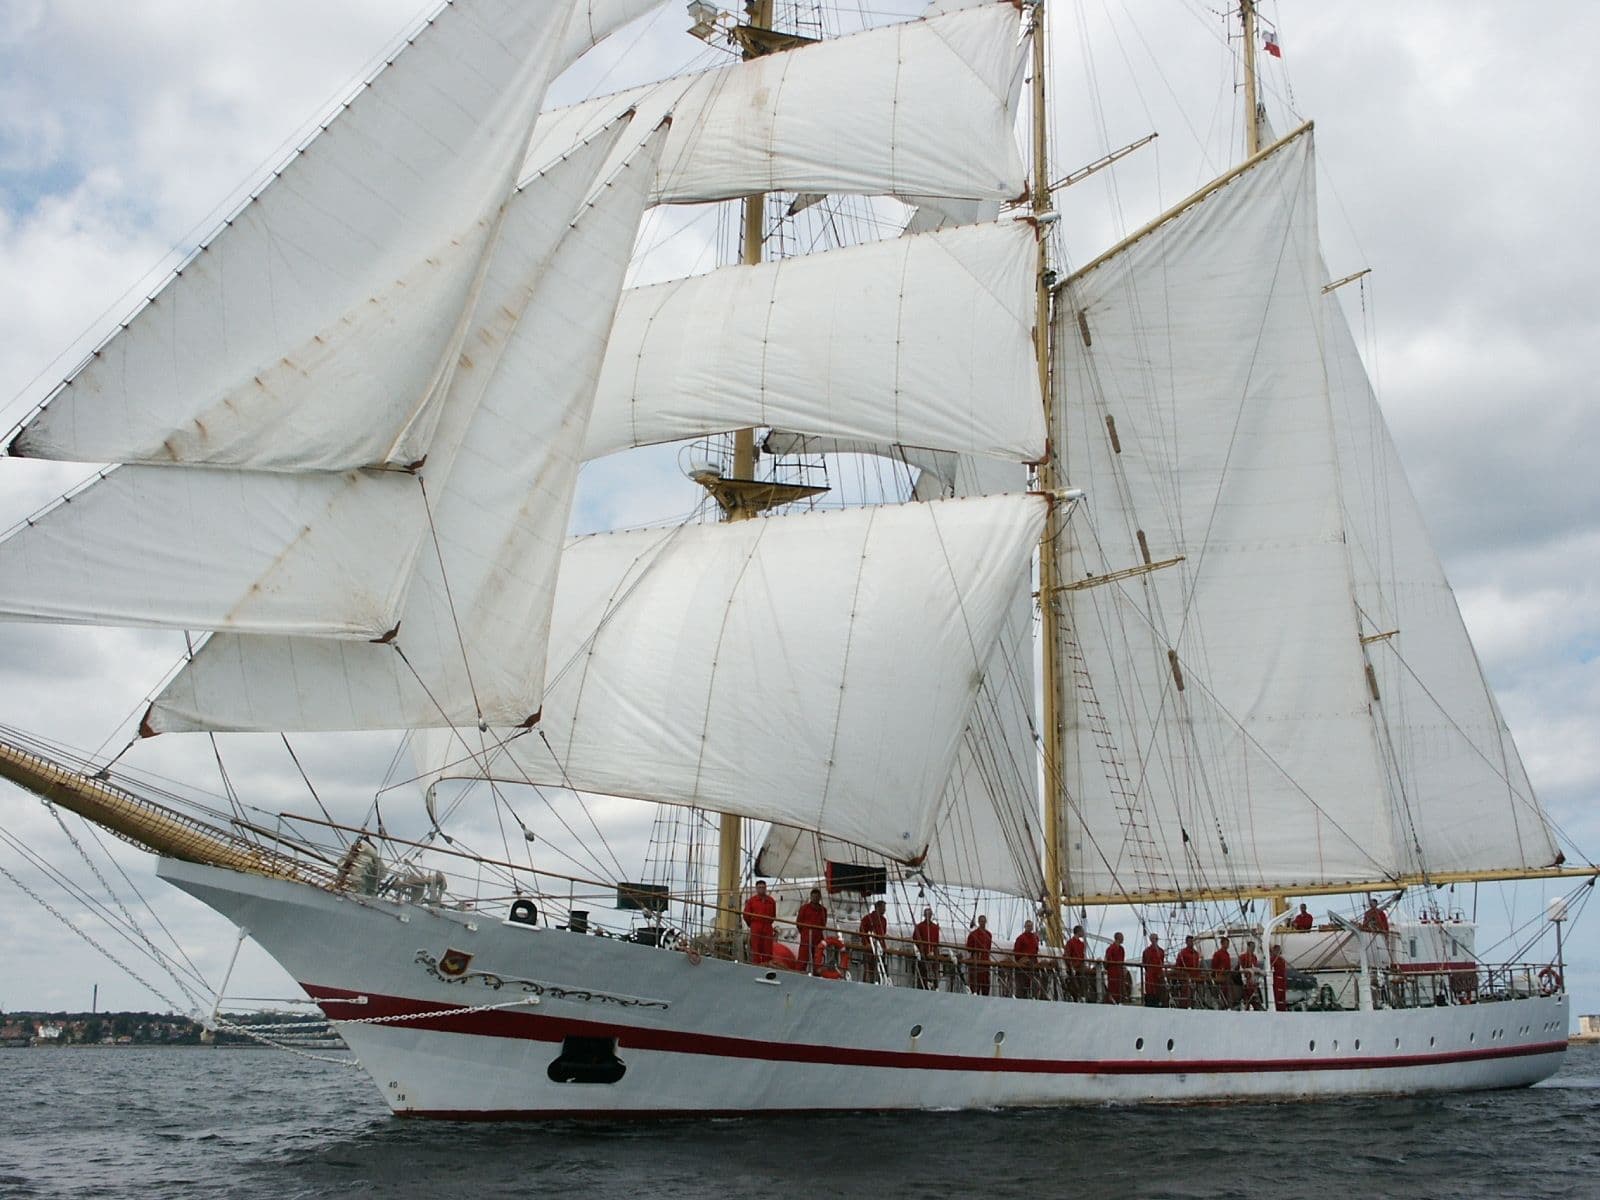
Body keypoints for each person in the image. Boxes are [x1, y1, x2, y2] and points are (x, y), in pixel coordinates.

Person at [742, 879, 777, 965]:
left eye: (763, 887)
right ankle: (756, 965)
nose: (761, 889)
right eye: (759, 887)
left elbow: (773, 915)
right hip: (756, 925)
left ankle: (767, 965)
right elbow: (746, 915)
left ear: (766, 888)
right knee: (756, 948)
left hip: (767, 926)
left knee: (768, 949)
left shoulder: (771, 901)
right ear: (756, 889)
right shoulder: (752, 901)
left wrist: (768, 923)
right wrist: (751, 924)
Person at [796, 887, 828, 974]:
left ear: (820, 898)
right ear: (811, 897)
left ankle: (816, 974)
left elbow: (823, 924)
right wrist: (804, 933)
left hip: (818, 937)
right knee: (803, 957)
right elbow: (799, 923)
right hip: (806, 936)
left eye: (817, 897)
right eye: (813, 896)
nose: (815, 898)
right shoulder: (804, 908)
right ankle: (800, 973)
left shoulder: (823, 910)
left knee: (817, 958)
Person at [858, 899, 889, 984]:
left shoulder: (884, 920)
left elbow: (883, 933)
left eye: (884, 908)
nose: (884, 910)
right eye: (883, 908)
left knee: (881, 967)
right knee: (868, 967)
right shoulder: (867, 918)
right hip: (870, 947)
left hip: (880, 948)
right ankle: (867, 982)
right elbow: (862, 931)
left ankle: (879, 981)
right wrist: (866, 943)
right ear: (877, 907)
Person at [912, 906, 942, 989]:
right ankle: (922, 987)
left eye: (930, 914)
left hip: (932, 955)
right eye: (927, 914)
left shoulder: (935, 927)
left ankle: (935, 988)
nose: (928, 916)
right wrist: (921, 952)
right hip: (923, 954)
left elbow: (936, 942)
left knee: (934, 972)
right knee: (923, 973)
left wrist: (936, 955)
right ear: (924, 915)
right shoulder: (919, 926)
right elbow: (915, 939)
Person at [965, 915, 994, 996]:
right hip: (976, 962)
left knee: (985, 984)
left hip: (985, 963)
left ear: (986, 922)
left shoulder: (989, 934)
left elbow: (988, 948)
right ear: (978, 922)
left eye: (984, 921)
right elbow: (968, 948)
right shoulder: (973, 934)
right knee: (975, 984)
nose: (983, 923)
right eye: (981, 921)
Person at [1012, 919, 1040, 998]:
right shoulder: (1020, 938)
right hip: (1024, 966)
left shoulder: (1035, 938)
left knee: (1034, 985)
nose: (1029, 928)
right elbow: (1017, 952)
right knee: (1022, 987)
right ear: (1025, 927)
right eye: (1028, 926)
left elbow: (1036, 950)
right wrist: (1024, 959)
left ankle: (1035, 997)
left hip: (1033, 964)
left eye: (1031, 926)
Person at [1174, 935, 1202, 1009]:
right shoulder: (1183, 953)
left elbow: (1197, 965)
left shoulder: (1196, 953)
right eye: (1190, 941)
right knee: (1185, 994)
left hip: (1194, 977)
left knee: (1193, 994)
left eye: (1192, 941)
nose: (1191, 943)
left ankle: (1193, 1005)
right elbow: (1178, 965)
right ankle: (1184, 1006)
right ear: (1186, 942)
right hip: (1185, 977)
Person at [1065, 924, 1089, 1001]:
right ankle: (1078, 995)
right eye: (1082, 931)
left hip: (1080, 966)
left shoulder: (1081, 944)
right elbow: (1067, 955)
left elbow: (1082, 956)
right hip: (1074, 966)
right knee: (1077, 980)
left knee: (1084, 978)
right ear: (1078, 932)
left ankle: (1083, 994)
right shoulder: (1070, 942)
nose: (1083, 933)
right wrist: (1071, 965)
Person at [1141, 933, 1166, 1007]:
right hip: (1150, 974)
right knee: (1150, 990)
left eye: (1155, 939)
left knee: (1159, 989)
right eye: (1153, 939)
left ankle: (1159, 1002)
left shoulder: (1161, 951)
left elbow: (1162, 961)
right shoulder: (1146, 951)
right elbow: (1145, 963)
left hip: (1158, 974)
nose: (1154, 940)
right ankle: (1150, 1002)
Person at [1103, 931, 1128, 1004]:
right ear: (1118, 938)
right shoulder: (1111, 948)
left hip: (1119, 971)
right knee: (1113, 986)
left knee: (1119, 987)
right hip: (1113, 971)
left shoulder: (1121, 949)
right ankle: (1112, 999)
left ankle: (1119, 1000)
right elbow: (1108, 960)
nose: (1123, 939)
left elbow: (1122, 960)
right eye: (1122, 937)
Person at [1237, 940, 1262, 1010]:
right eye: (1252, 947)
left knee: (1254, 997)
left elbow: (1255, 966)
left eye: (1254, 947)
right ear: (1248, 947)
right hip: (1246, 979)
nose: (1253, 948)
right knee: (1246, 998)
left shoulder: (1254, 957)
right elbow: (1240, 968)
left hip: (1253, 980)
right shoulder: (1243, 956)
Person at [1210, 936, 1233, 1009]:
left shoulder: (1227, 954)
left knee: (1227, 991)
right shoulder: (1218, 954)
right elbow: (1214, 965)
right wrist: (1215, 974)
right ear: (1222, 944)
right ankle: (1222, 1004)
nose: (1227, 945)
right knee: (1222, 991)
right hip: (1220, 975)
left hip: (1227, 976)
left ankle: (1228, 1004)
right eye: (1226, 943)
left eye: (1228, 943)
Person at [1270, 943, 1289, 1011]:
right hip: (1276, 980)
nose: (1278, 951)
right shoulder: (1272, 959)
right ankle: (1277, 1009)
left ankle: (1282, 1009)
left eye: (1279, 950)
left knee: (1282, 996)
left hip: (1282, 980)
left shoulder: (1282, 960)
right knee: (1277, 996)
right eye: (1277, 950)